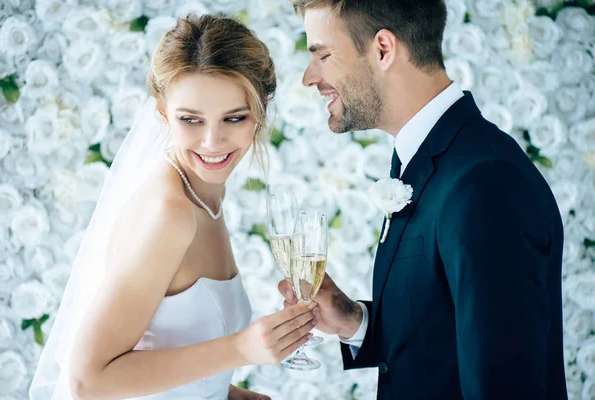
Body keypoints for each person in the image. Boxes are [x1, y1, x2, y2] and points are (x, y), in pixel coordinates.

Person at [279, 1, 568, 399]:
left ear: (383, 48)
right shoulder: (428, 158)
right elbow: (443, 336)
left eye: (323, 55)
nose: (310, 78)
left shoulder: (485, 183)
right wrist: (354, 321)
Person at [30, 14, 318, 400]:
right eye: (190, 120)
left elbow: (161, 348)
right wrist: (240, 349)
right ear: (163, 113)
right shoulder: (172, 213)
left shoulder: (204, 193)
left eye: (234, 117)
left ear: (260, 112)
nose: (213, 142)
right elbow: (88, 381)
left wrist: (230, 394)